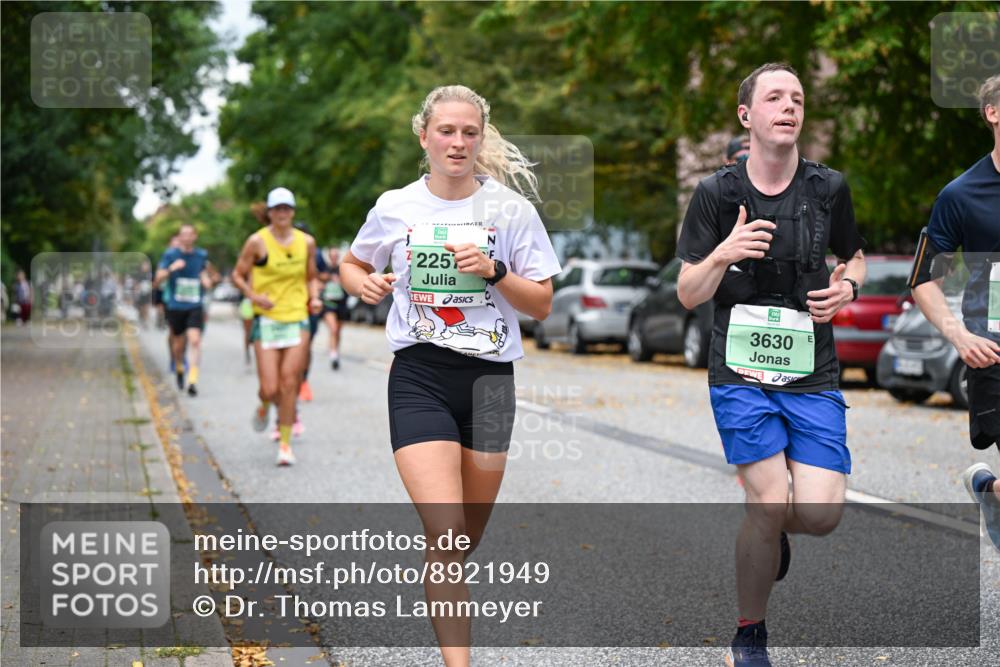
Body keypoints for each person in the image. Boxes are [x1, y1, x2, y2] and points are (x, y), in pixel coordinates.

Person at [340, 84, 560, 667]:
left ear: (480, 138)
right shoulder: (396, 206)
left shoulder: (511, 212)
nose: (458, 142)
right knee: (446, 534)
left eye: (469, 132)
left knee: (464, 541)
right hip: (420, 376)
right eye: (446, 130)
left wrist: (494, 271)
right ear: (424, 136)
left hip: (490, 386)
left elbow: (541, 304)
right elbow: (352, 261)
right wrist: (358, 282)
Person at [676, 63, 867, 667]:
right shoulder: (716, 194)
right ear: (747, 116)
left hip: (812, 368)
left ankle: (774, 529)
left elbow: (854, 257)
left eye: (798, 99)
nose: (789, 107)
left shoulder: (828, 188)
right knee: (765, 501)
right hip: (740, 371)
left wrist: (850, 289)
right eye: (775, 98)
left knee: (821, 513)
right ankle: (749, 636)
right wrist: (725, 252)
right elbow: (687, 291)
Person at [910, 74, 1000, 553]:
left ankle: (988, 490)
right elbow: (924, 277)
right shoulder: (961, 195)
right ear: (993, 113)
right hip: (994, 356)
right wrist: (958, 335)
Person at [231, 187, 322, 466]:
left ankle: (285, 445)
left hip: (296, 318)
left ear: (293, 212)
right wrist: (253, 296)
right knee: (270, 389)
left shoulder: (306, 242)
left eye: (287, 208)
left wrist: (315, 296)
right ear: (269, 213)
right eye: (277, 208)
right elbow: (237, 274)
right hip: (267, 320)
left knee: (288, 382)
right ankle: (264, 404)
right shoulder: (257, 242)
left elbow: (311, 277)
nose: (282, 213)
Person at [154, 224, 216, 397]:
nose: (187, 237)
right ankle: (179, 366)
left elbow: (203, 273)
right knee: (178, 344)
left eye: (190, 234)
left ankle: (192, 380)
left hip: (195, 304)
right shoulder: (170, 254)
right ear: (179, 237)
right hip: (175, 305)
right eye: (184, 235)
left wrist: (206, 281)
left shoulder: (201, 255)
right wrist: (172, 268)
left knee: (195, 341)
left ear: (195, 236)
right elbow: (158, 278)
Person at [319, 247, 349, 370]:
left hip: (341, 304)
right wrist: (324, 279)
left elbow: (349, 283)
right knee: (333, 328)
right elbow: (317, 280)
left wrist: (341, 281)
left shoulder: (342, 269)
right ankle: (333, 356)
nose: (334, 257)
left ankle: (335, 351)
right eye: (332, 255)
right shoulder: (324, 269)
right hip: (328, 304)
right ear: (329, 256)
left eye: (336, 255)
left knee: (337, 331)